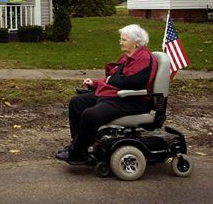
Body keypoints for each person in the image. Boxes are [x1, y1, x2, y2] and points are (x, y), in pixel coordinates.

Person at [55, 24, 157, 164]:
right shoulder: (129, 56)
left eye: (124, 40)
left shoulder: (143, 58)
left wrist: (113, 79)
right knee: (76, 103)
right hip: (118, 95)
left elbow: (133, 83)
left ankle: (77, 151)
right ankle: (79, 146)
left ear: (137, 42)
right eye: (121, 39)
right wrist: (95, 84)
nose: (120, 42)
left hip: (133, 100)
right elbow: (115, 78)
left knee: (90, 115)